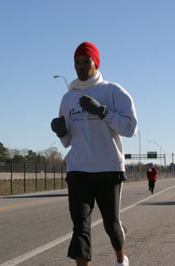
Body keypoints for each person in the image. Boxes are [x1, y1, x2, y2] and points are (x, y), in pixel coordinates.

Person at [51, 42, 137, 266]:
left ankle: (120, 260)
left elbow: (130, 128)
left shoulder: (112, 91)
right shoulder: (68, 98)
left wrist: (102, 112)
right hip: (78, 168)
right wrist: (61, 131)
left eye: (85, 61)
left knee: (111, 224)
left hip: (108, 167)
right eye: (77, 62)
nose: (80, 67)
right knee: (80, 226)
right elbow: (67, 140)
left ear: (95, 62)